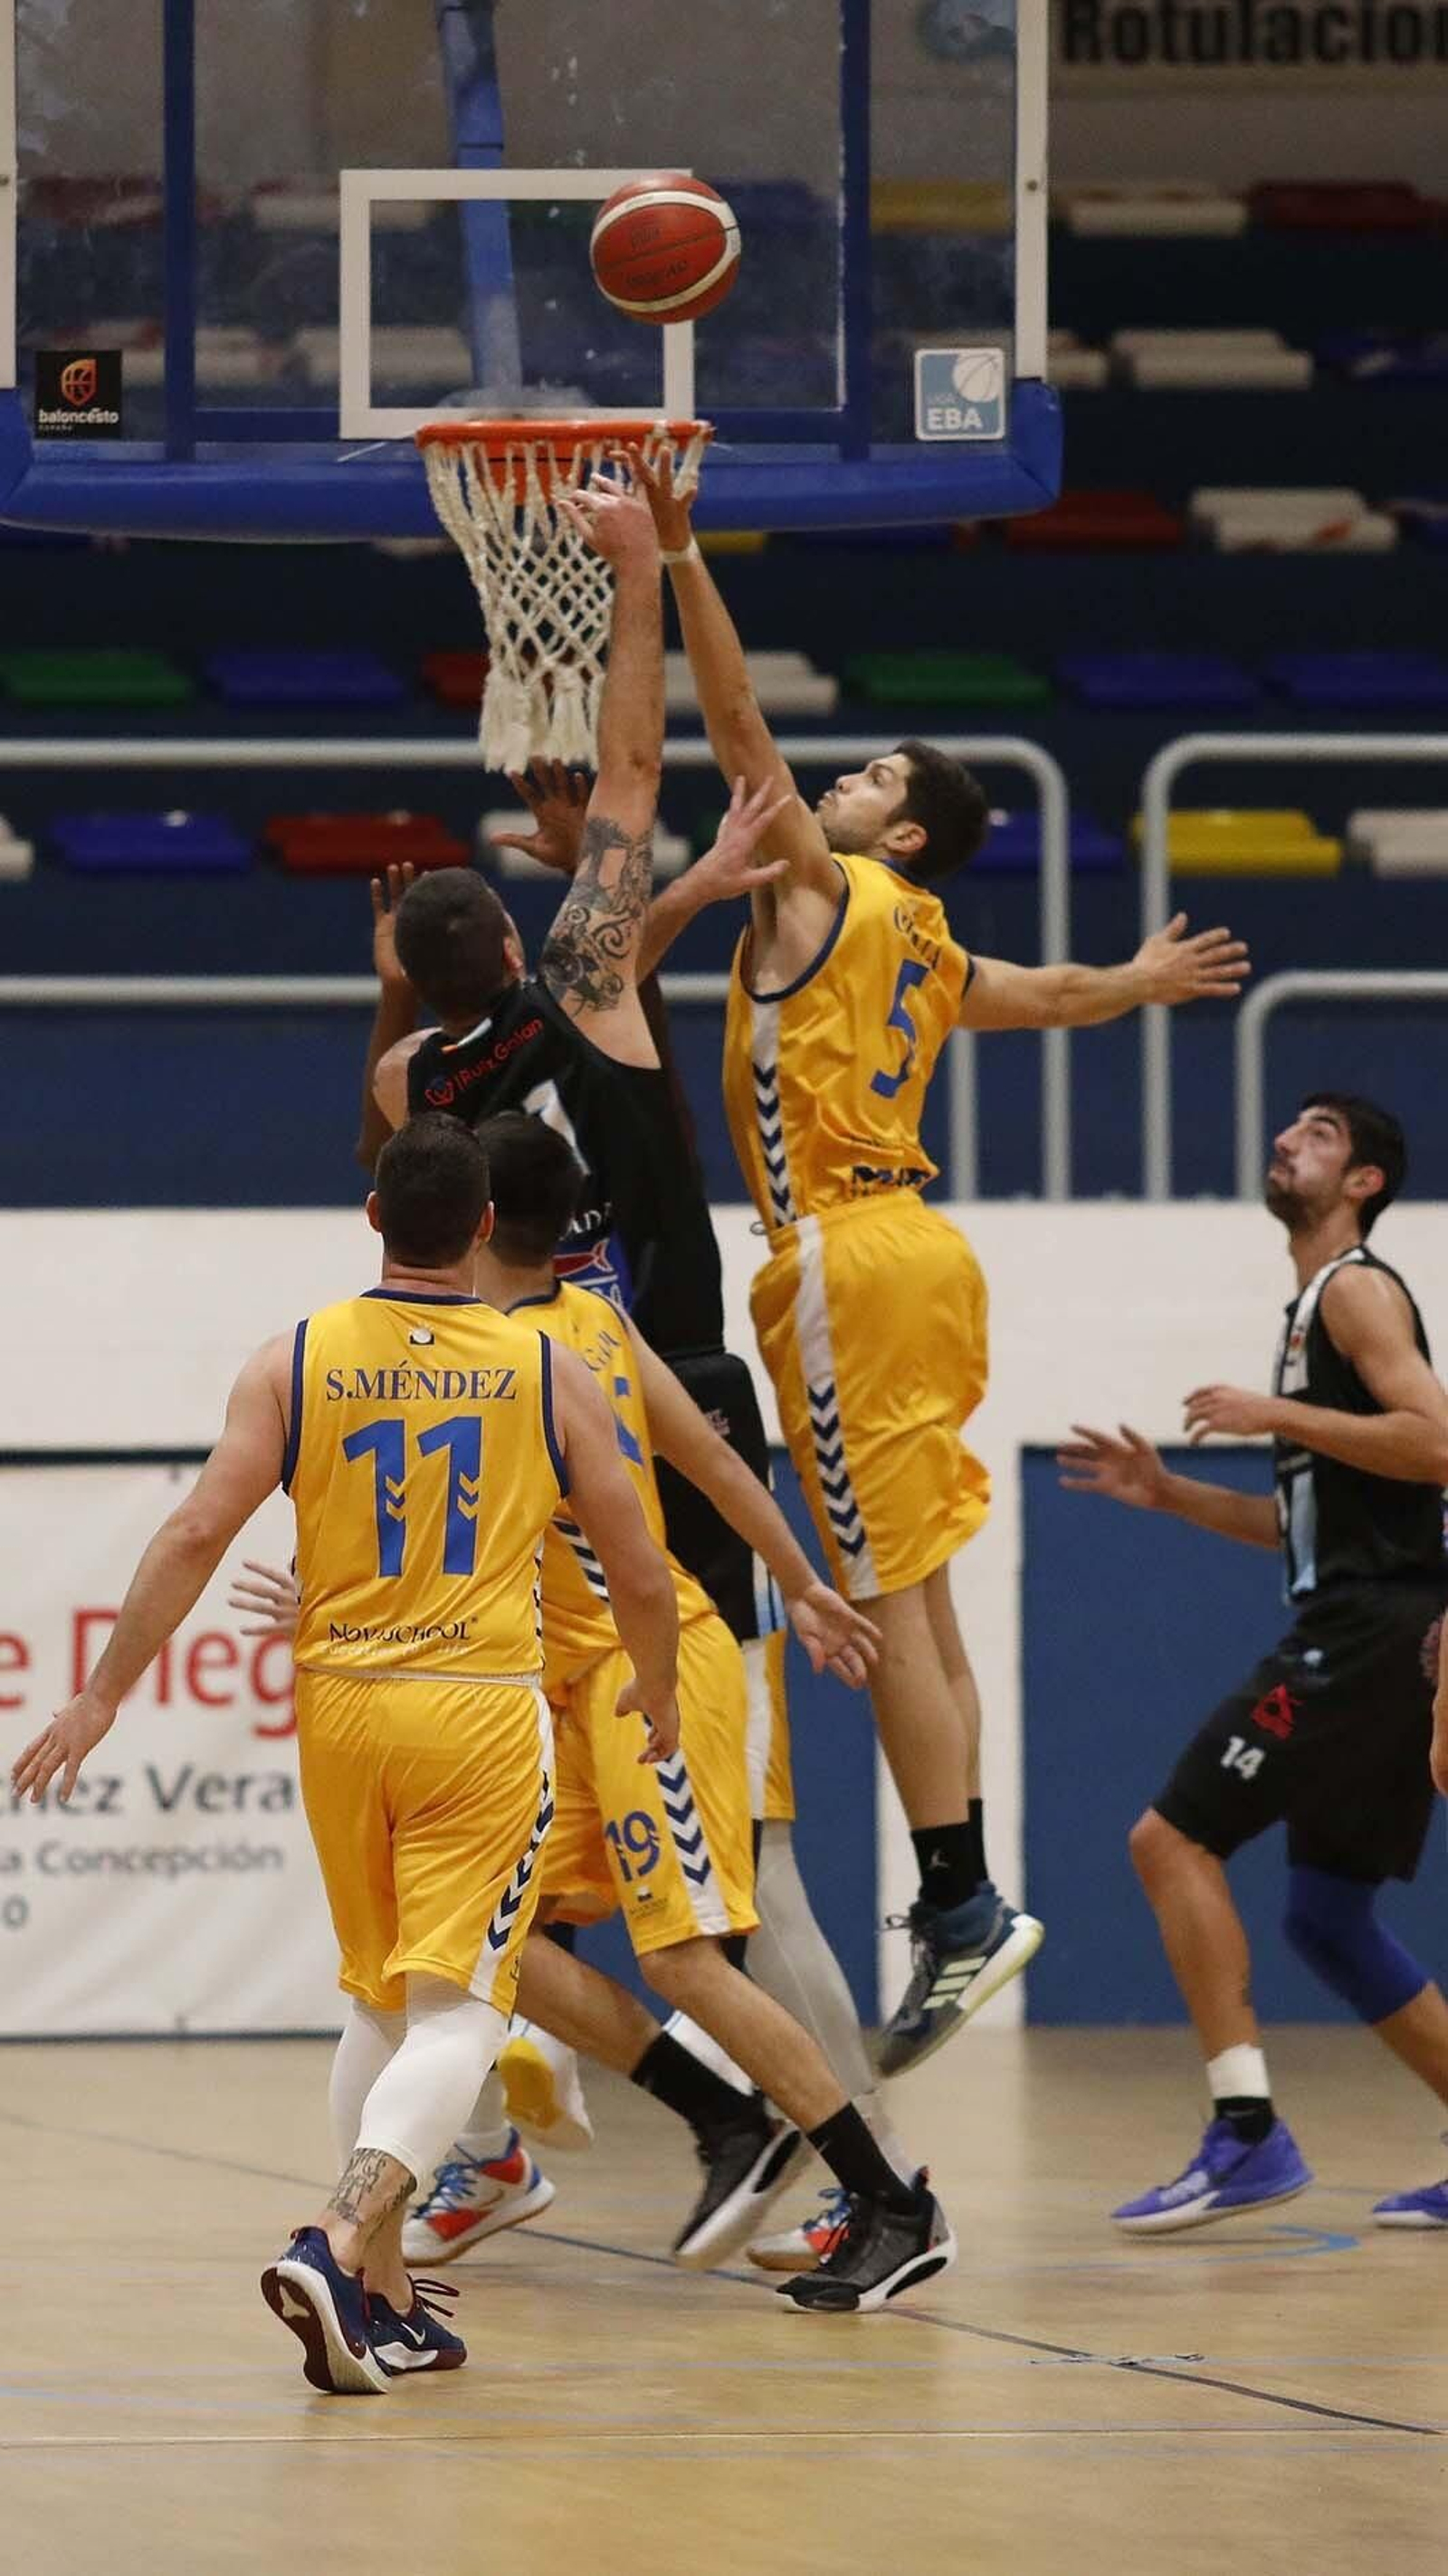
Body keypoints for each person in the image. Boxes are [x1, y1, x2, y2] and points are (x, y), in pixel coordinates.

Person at [628, 439, 1252, 2077]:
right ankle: (965, 1900)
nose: (837, 782)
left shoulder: (830, 893)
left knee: (878, 1598)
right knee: (929, 1604)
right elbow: (1045, 996)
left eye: (870, 776)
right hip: (923, 1256)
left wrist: (681, 555)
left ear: (898, 832)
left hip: (843, 1261)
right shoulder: (930, 938)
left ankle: (961, 1903)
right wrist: (1137, 979)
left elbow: (738, 730)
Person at [353, 472, 929, 2224]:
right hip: (666, 1394)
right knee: (697, 1869)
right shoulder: (589, 975)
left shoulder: (413, 1093)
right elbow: (623, 771)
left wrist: (401, 981)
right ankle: (789, 2145)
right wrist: (630, 572)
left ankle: (785, 2151)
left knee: (592, 1883)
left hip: (549, 1431)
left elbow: (393, 1114)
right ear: (513, 942)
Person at [11, 1113, 682, 2394]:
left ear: (374, 1217)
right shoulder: (549, 1370)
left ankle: (379, 2299)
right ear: (484, 1228)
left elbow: (195, 1531)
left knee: (380, 1999)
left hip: (341, 1712)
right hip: (478, 1711)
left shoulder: (295, 1358)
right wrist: (656, 1691)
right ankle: (336, 2234)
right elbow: (638, 1567)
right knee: (461, 2010)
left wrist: (100, 1696)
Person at [241, 1112, 953, 2314]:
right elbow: (717, 1467)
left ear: (476, 1226)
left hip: (643, 1668)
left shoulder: (516, 1358)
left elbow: (521, 1528)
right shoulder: (592, 1325)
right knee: (496, 1948)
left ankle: (890, 2200)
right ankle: (721, 2116)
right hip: (575, 1680)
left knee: (682, 1954)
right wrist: (805, 1582)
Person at [1059, 1092, 1448, 2231]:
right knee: (1326, 1916)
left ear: (1365, 1182)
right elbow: (1312, 1524)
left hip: (1371, 1632)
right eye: (1290, 1126)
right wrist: (1169, 1492)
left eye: (1320, 1133)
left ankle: (1245, 2133)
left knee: (1168, 1837)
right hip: (1382, 1621)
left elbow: (1435, 1440)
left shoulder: (1356, 1290)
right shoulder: (1310, 1310)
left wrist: (1274, 1410)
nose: (1287, 1138)